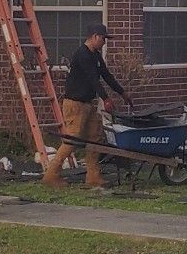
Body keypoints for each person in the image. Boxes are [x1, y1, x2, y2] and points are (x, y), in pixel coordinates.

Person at [41, 25, 133, 192]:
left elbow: (106, 75)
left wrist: (122, 93)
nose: (105, 42)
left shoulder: (95, 56)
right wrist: (106, 98)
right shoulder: (82, 55)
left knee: (94, 138)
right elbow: (93, 79)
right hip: (75, 104)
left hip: (89, 103)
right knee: (73, 138)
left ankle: (93, 176)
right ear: (95, 36)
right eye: (103, 39)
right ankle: (52, 174)